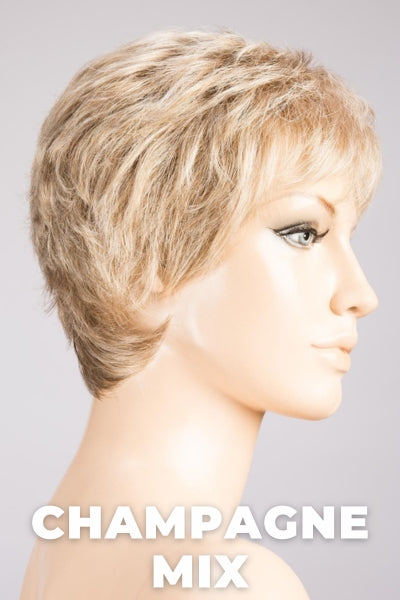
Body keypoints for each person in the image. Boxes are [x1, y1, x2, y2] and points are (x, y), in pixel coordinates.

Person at [20, 29, 380, 599]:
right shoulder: (233, 585)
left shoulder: (66, 541)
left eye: (347, 237)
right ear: (147, 256)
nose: (360, 293)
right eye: (302, 232)